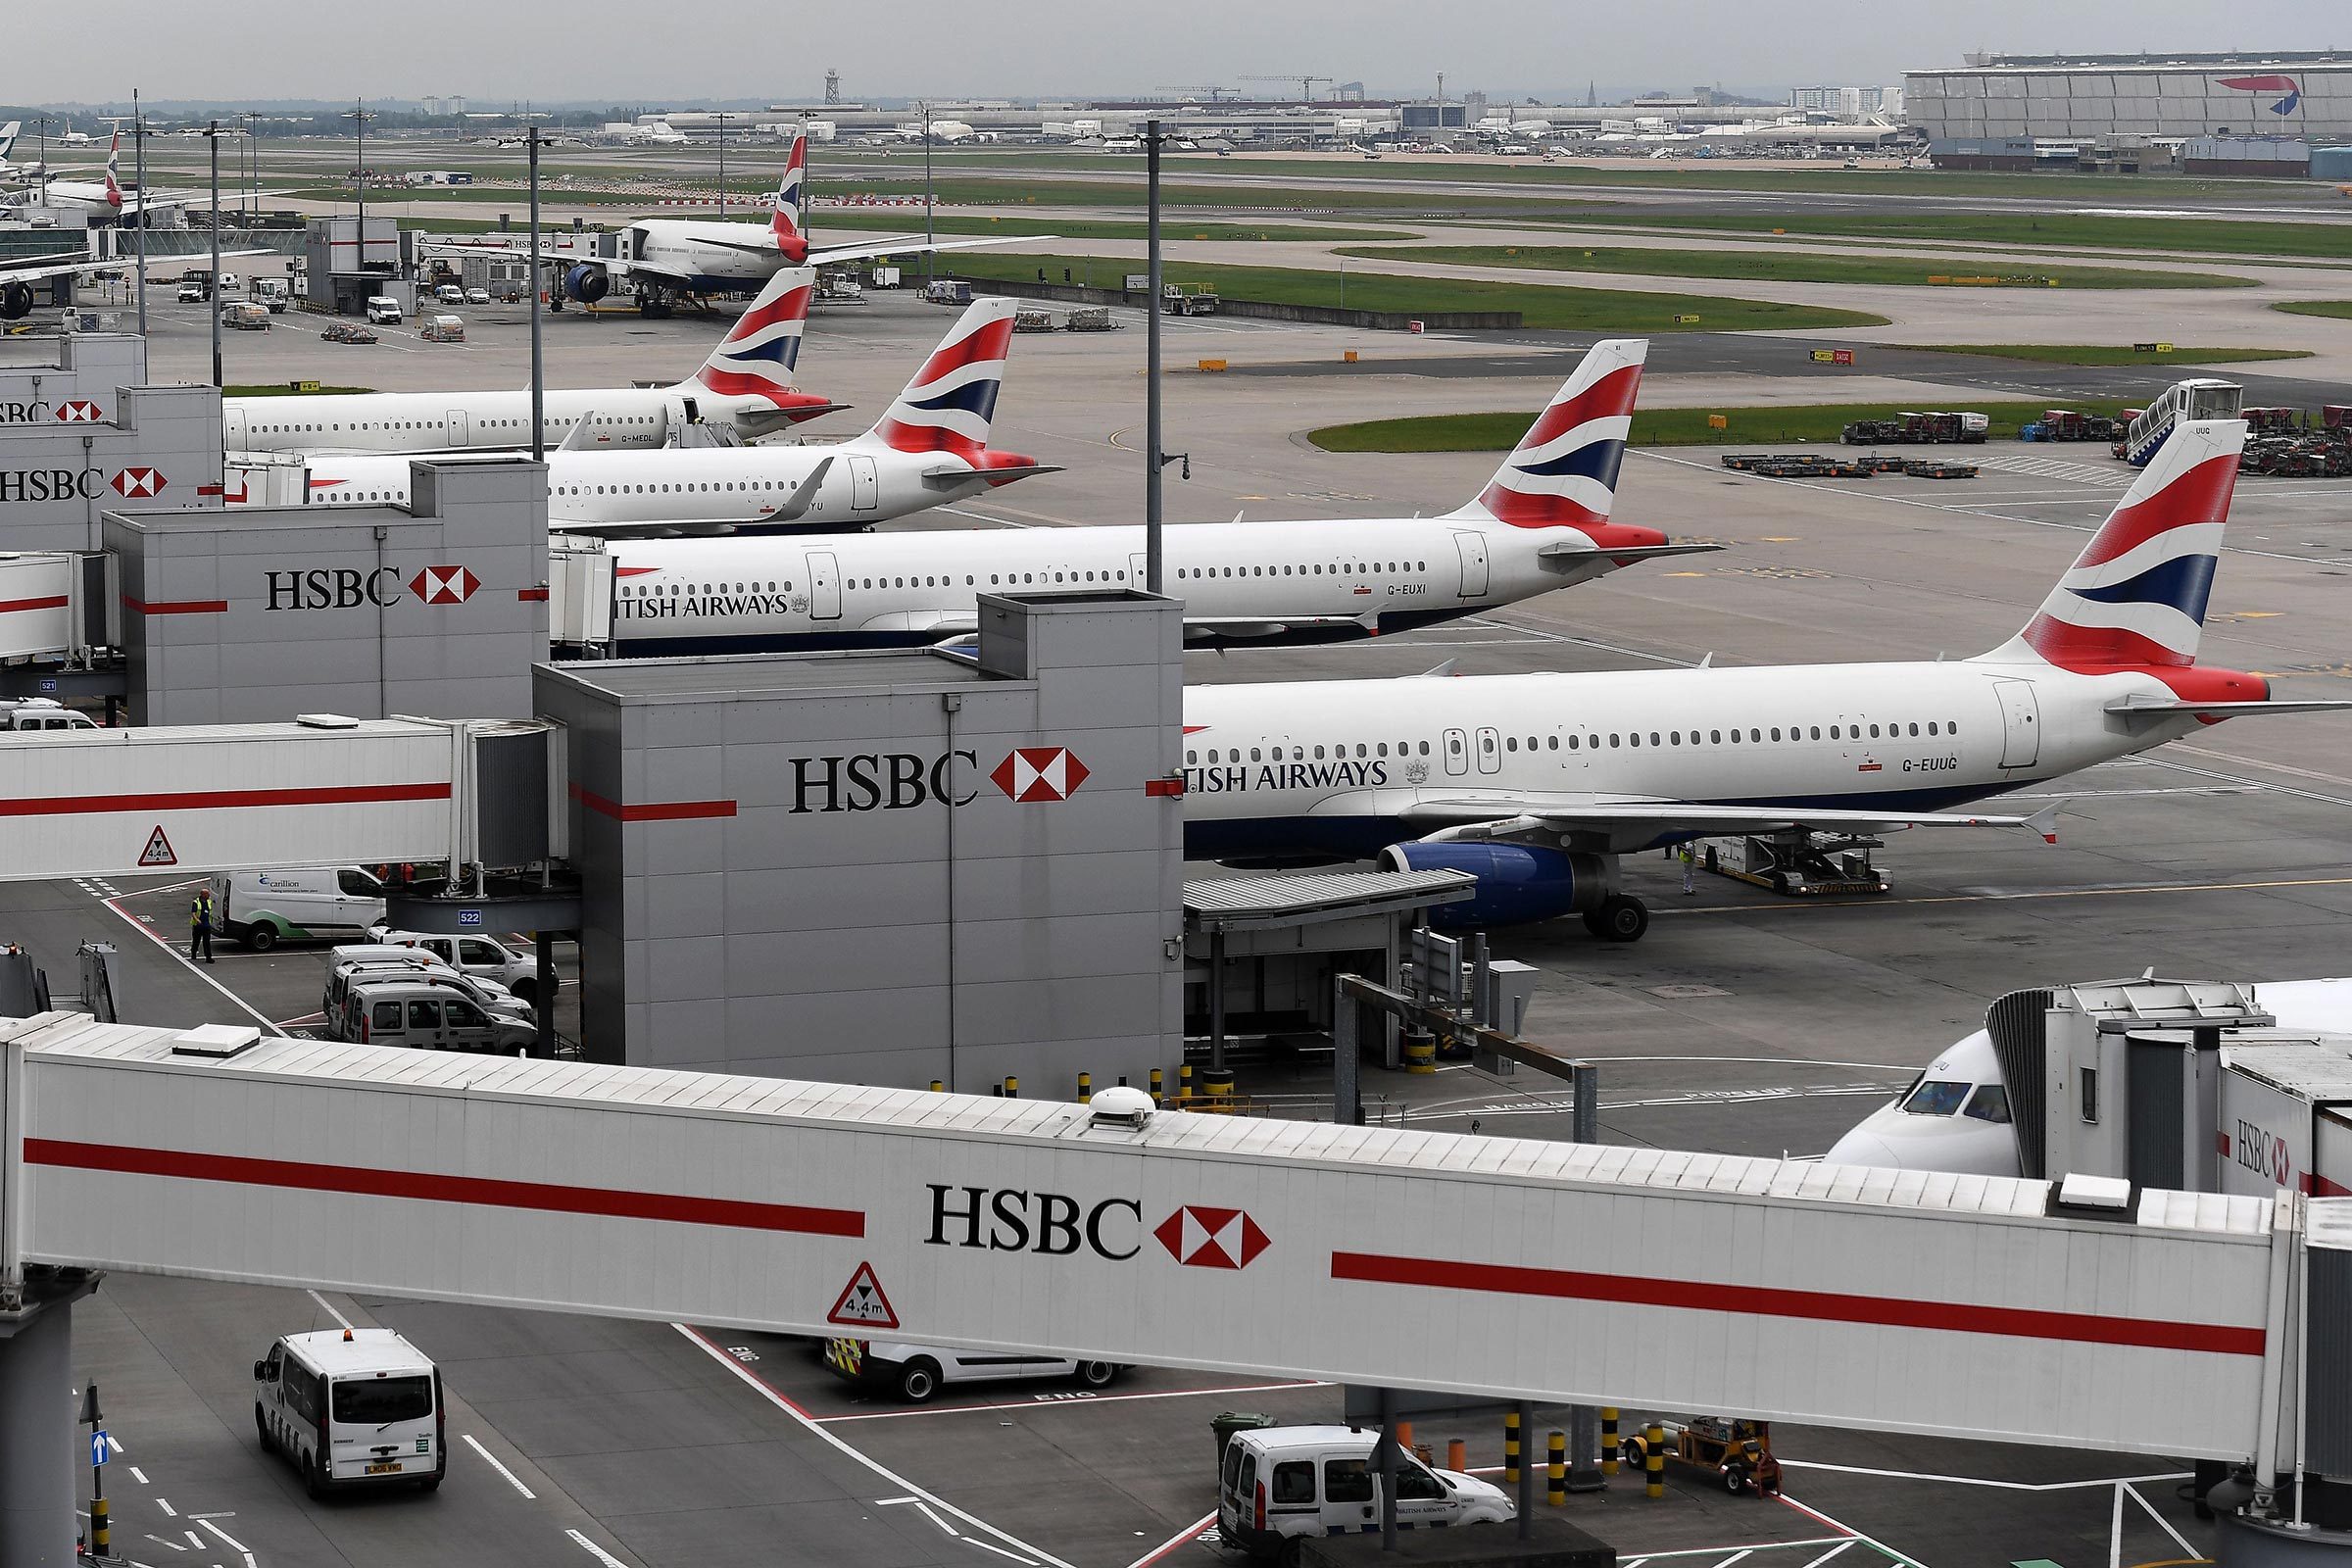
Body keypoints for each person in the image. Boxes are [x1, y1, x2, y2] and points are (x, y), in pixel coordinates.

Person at [188, 887, 217, 963]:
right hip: (198, 926)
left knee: (206, 942)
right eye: (207, 894)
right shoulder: (196, 902)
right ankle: (193, 953)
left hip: (206, 925)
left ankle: (208, 957)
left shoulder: (209, 901)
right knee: (196, 941)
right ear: (203, 894)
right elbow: (193, 913)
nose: (208, 895)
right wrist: (197, 920)